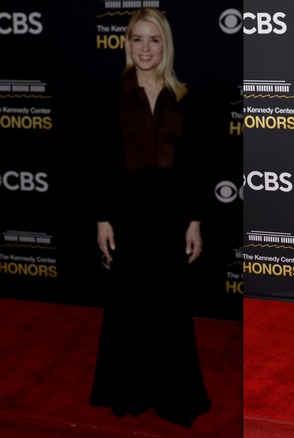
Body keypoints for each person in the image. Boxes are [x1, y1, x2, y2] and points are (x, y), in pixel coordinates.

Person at [90, 7, 211, 428]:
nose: (145, 48)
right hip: (126, 212)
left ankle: (171, 392)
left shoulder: (184, 96)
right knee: (130, 299)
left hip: (171, 212)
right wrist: (102, 218)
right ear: (127, 44)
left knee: (169, 302)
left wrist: (194, 220)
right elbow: (100, 160)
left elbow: (194, 165)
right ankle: (129, 390)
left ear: (165, 45)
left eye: (154, 40)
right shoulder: (111, 93)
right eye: (138, 39)